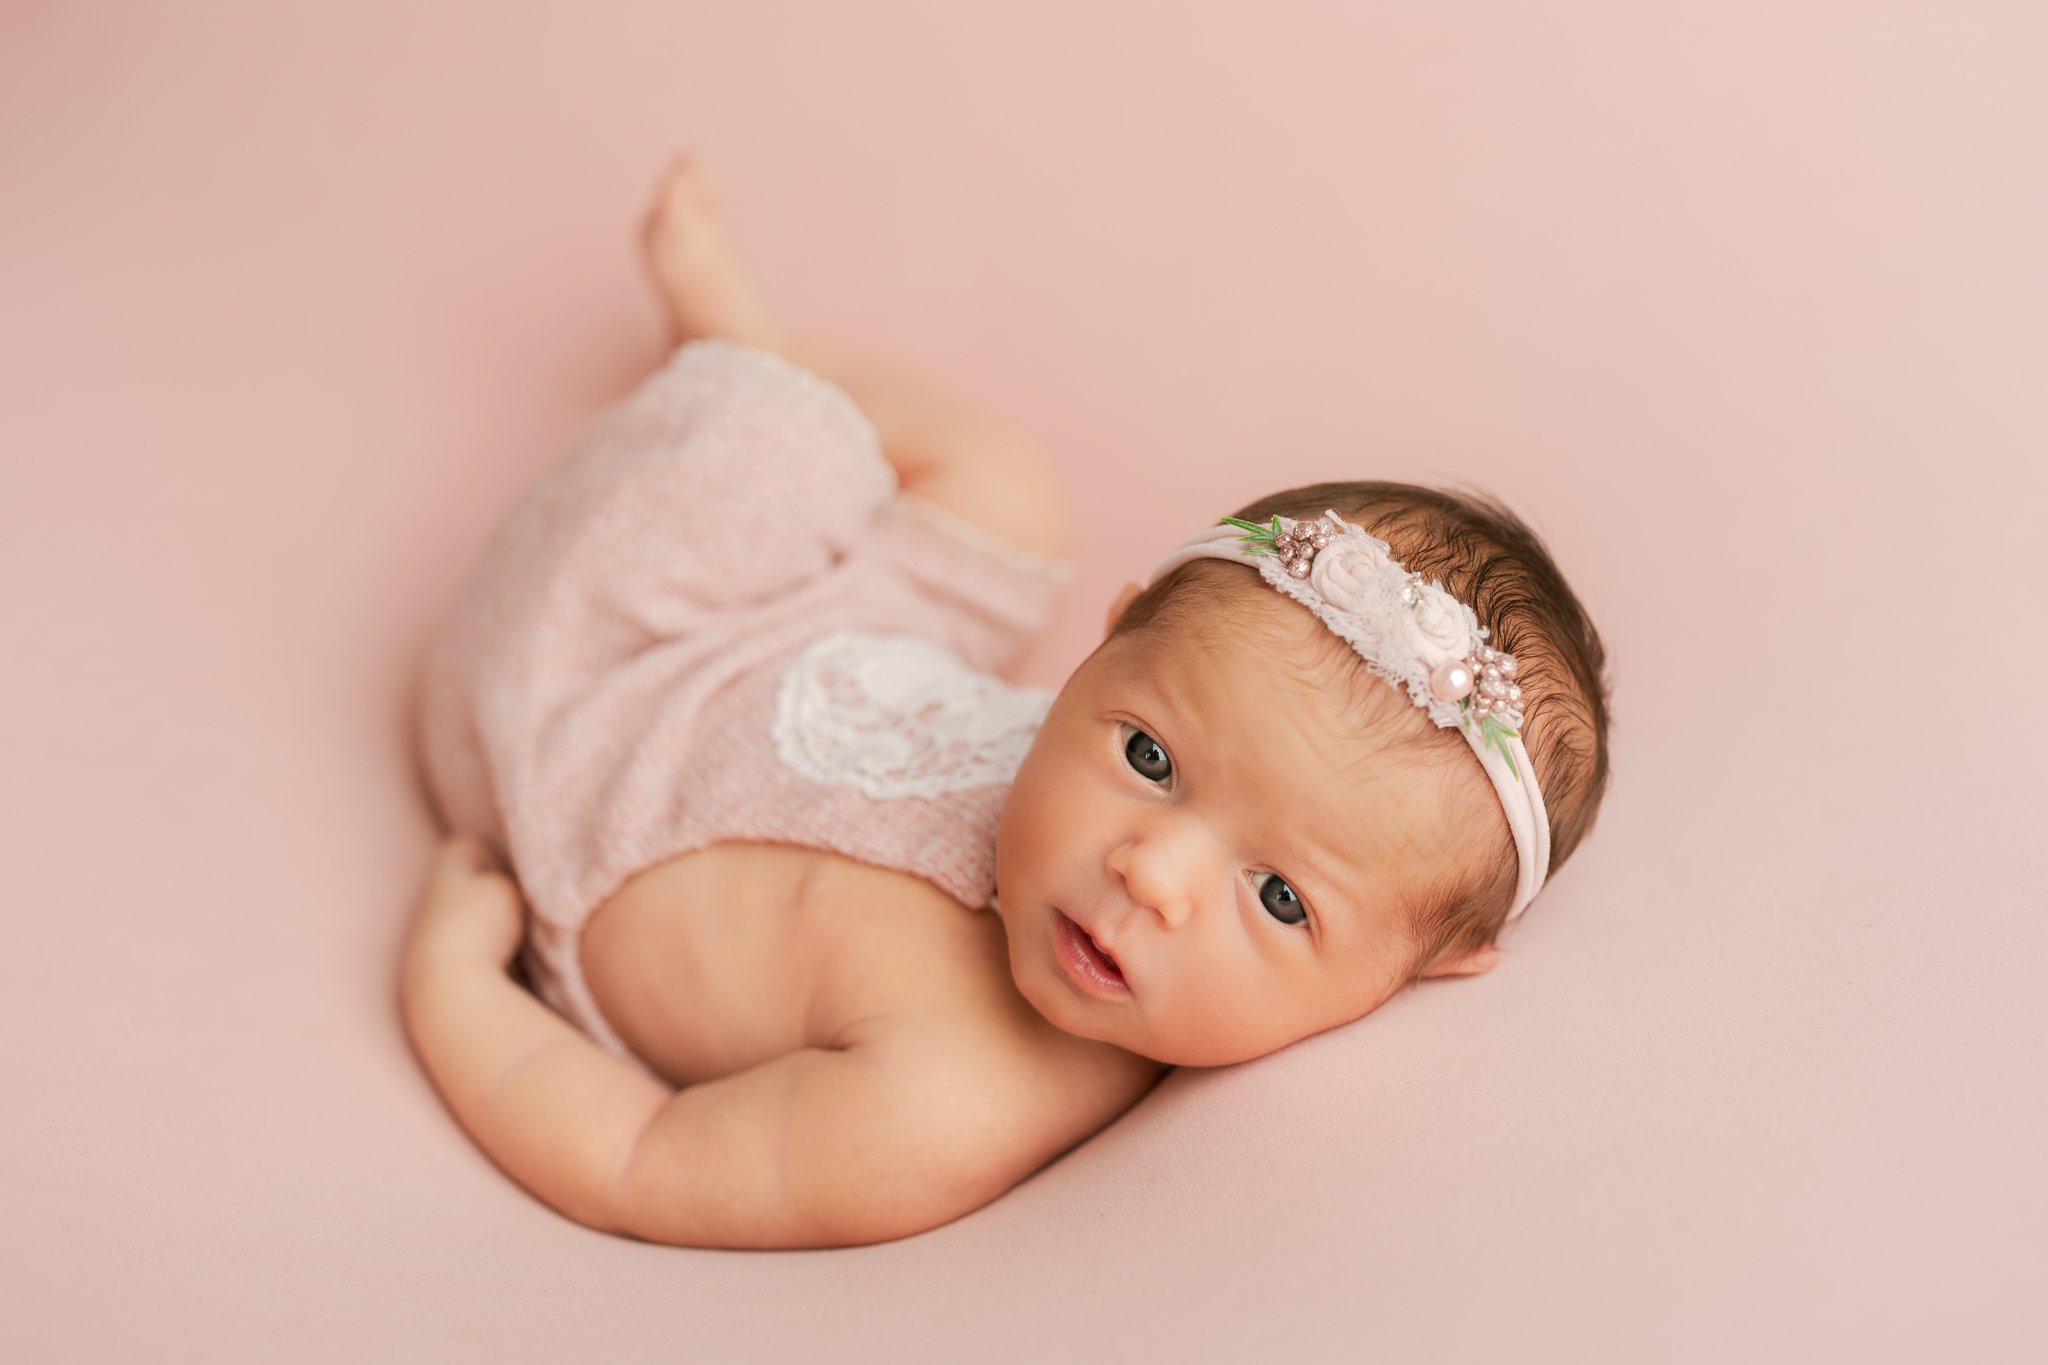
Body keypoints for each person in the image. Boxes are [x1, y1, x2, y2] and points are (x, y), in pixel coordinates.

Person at [400, 154, 1613, 1249]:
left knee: (760, 463)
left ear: (1423, 966)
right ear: (1100, 649)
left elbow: (633, 1159)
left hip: (580, 725)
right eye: (1146, 755)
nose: (1150, 874)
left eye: (1280, 899)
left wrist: (457, 980)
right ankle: (750, 345)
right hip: (829, 650)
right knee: (1006, 489)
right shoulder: (1170, 810)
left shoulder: (943, 1102)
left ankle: (744, 385)